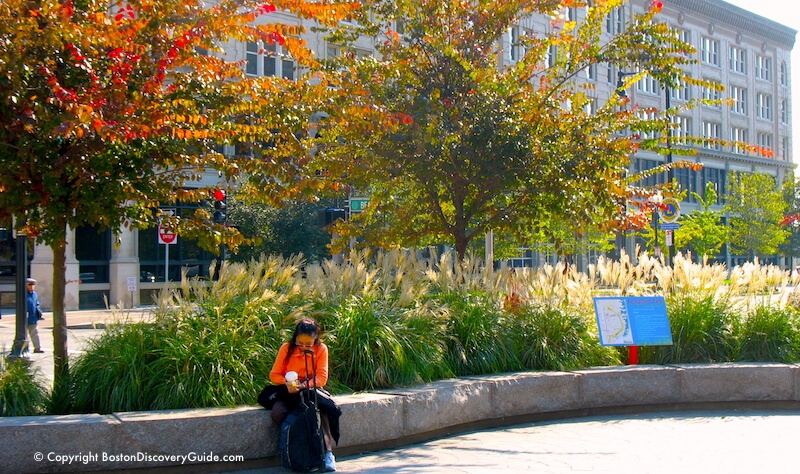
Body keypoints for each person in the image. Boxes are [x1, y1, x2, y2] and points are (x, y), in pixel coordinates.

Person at [269, 318, 339, 472]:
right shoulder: (286, 348)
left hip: (310, 389)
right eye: (300, 343)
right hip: (288, 390)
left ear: (316, 339)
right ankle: (293, 447)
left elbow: (322, 378)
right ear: (295, 338)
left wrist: (304, 385)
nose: (303, 347)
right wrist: (287, 383)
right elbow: (274, 375)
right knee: (277, 413)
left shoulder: (321, 349)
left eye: (309, 344)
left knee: (323, 408)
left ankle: (328, 453)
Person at [25, 278, 44, 353]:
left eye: (33, 284)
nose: (32, 286)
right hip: (24, 318)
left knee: (35, 333)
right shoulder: (23, 294)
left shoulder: (34, 294)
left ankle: (37, 348)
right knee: (24, 335)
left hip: (33, 318)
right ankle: (24, 348)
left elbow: (37, 304)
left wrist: (39, 312)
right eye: (30, 284)